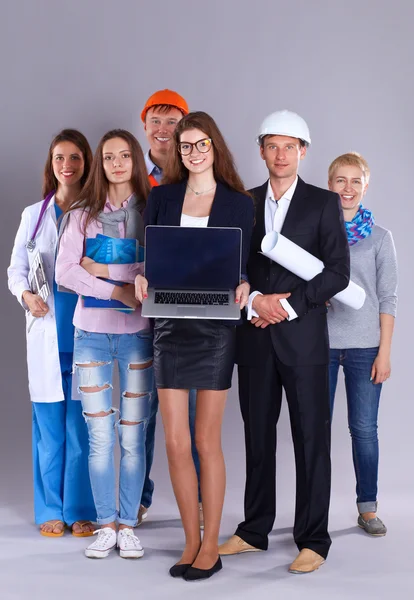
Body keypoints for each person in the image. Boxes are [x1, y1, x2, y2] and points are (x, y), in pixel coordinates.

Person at [219, 110, 350, 574]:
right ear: (261, 150)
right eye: (272, 146)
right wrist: (255, 300)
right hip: (254, 337)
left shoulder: (322, 203)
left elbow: (338, 271)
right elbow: (231, 265)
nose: (280, 155)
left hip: (304, 340)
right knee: (257, 438)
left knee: (311, 440)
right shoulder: (243, 202)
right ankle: (254, 529)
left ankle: (313, 538)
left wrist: (288, 305)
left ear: (303, 152)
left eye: (289, 147)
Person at [135, 111, 254, 581]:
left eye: (201, 144)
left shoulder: (238, 203)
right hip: (169, 320)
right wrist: (143, 276)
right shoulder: (161, 198)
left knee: (206, 440)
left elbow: (245, 264)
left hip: (217, 325)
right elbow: (151, 256)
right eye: (185, 146)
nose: (193, 152)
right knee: (175, 442)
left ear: (214, 146)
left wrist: (245, 283)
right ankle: (189, 541)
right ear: (178, 152)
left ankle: (211, 545)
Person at [56, 129, 153, 559]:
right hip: (91, 335)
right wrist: (118, 286)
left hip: (138, 336)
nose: (117, 163)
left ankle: (129, 525)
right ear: (101, 163)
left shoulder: (154, 212)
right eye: (109, 156)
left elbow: (159, 267)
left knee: (132, 438)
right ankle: (106, 525)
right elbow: (64, 272)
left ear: (135, 160)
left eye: (125, 155)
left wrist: (96, 266)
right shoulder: (80, 214)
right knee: (100, 438)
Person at [7, 129, 96, 538]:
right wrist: (26, 295)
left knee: (82, 428)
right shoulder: (33, 214)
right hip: (45, 333)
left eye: (75, 157)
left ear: (85, 163)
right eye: (60, 157)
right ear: (51, 163)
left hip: (84, 332)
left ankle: (80, 510)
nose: (67, 165)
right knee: (48, 428)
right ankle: (49, 510)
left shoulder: (96, 213)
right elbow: (15, 271)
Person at [138, 89, 203, 529]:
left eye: (172, 122)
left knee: (193, 418)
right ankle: (135, 498)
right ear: (145, 126)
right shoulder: (125, 172)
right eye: (155, 121)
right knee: (140, 414)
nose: (163, 130)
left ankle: (197, 504)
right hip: (138, 312)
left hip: (186, 315)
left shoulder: (198, 179)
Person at [327, 152, 397, 536]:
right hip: (320, 344)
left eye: (355, 181)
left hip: (366, 347)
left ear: (365, 187)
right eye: (341, 180)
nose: (348, 188)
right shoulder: (319, 234)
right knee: (315, 429)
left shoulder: (381, 238)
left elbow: (388, 299)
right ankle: (313, 509)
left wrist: (384, 352)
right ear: (330, 185)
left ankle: (367, 507)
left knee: (364, 429)